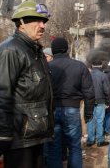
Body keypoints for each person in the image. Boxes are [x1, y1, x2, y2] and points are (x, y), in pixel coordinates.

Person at [0, 0, 53, 168]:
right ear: (21, 23)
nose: (43, 26)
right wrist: (2, 134)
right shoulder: (10, 50)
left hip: (34, 134)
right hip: (19, 139)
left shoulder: (34, 51)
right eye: (37, 20)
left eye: (44, 21)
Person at [46, 37, 95, 168]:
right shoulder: (79, 66)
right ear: (67, 49)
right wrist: (88, 113)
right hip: (72, 111)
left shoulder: (46, 67)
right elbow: (89, 92)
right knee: (74, 147)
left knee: (54, 148)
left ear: (53, 50)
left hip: (52, 111)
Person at [86, 60, 110, 147]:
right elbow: (107, 90)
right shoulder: (103, 75)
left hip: (89, 101)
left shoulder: (87, 75)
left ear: (92, 65)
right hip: (100, 101)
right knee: (100, 121)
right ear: (101, 66)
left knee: (90, 120)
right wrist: (108, 101)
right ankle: (100, 141)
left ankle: (90, 140)